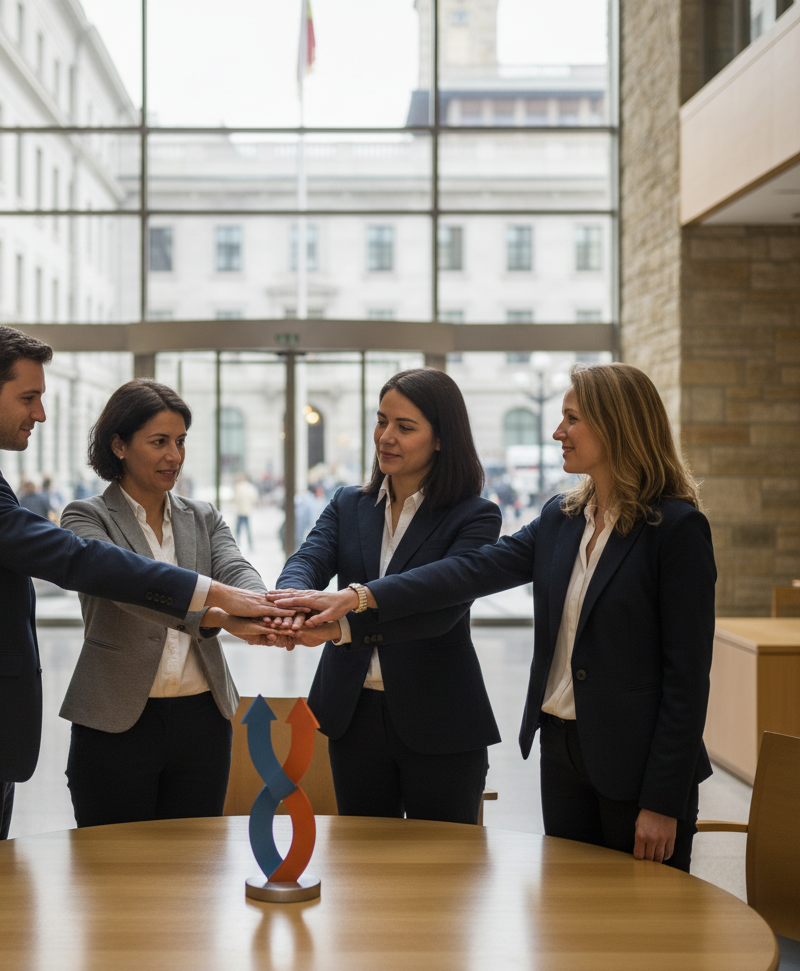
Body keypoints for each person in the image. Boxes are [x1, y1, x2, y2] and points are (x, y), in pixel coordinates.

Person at [0, 324, 285, 866]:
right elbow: (77, 560)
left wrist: (259, 603)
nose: (39, 414)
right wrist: (217, 604)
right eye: (29, 397)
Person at [274, 362, 715, 871]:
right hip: (563, 752)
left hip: (635, 761)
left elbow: (687, 681)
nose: (557, 432)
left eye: (571, 418)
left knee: (645, 927)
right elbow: (467, 573)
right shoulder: (562, 518)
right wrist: (354, 600)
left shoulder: (676, 529)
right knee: (569, 915)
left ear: (616, 425)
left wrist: (662, 799)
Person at [271, 368, 503, 823]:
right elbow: (309, 559)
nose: (386, 437)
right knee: (361, 866)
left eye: (405, 427)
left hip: (440, 718)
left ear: (441, 439)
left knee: (440, 872)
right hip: (351, 713)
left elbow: (439, 613)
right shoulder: (348, 503)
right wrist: (290, 601)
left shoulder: (474, 517)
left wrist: (341, 624)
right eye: (381, 421)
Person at [60, 380, 267, 825]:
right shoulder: (85, 516)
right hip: (114, 720)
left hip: (203, 718)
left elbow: (235, 568)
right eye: (159, 442)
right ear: (119, 444)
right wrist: (215, 614)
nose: (174, 456)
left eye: (180, 441)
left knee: (194, 872)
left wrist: (264, 605)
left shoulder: (203, 516)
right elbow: (130, 590)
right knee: (114, 873)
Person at [232, 473, 259, 550]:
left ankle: (238, 543)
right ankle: (250, 545)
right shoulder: (250, 487)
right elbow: (254, 497)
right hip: (247, 511)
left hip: (240, 511)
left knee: (238, 529)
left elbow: (235, 498)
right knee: (247, 529)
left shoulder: (238, 487)